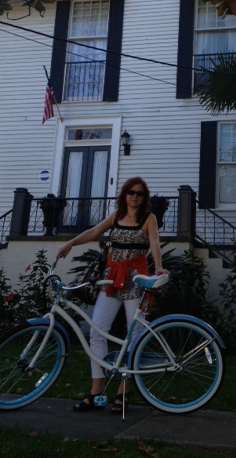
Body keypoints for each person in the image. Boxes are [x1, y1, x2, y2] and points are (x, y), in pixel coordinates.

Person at [56, 176, 167, 414]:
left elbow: (155, 242)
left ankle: (124, 392)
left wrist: (157, 266)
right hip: (111, 280)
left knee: (134, 334)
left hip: (135, 281)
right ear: (124, 194)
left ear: (143, 197)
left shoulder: (148, 218)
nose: (134, 196)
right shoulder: (115, 216)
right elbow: (95, 231)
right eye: (130, 192)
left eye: (139, 193)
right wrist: (71, 243)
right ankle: (96, 390)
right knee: (97, 330)